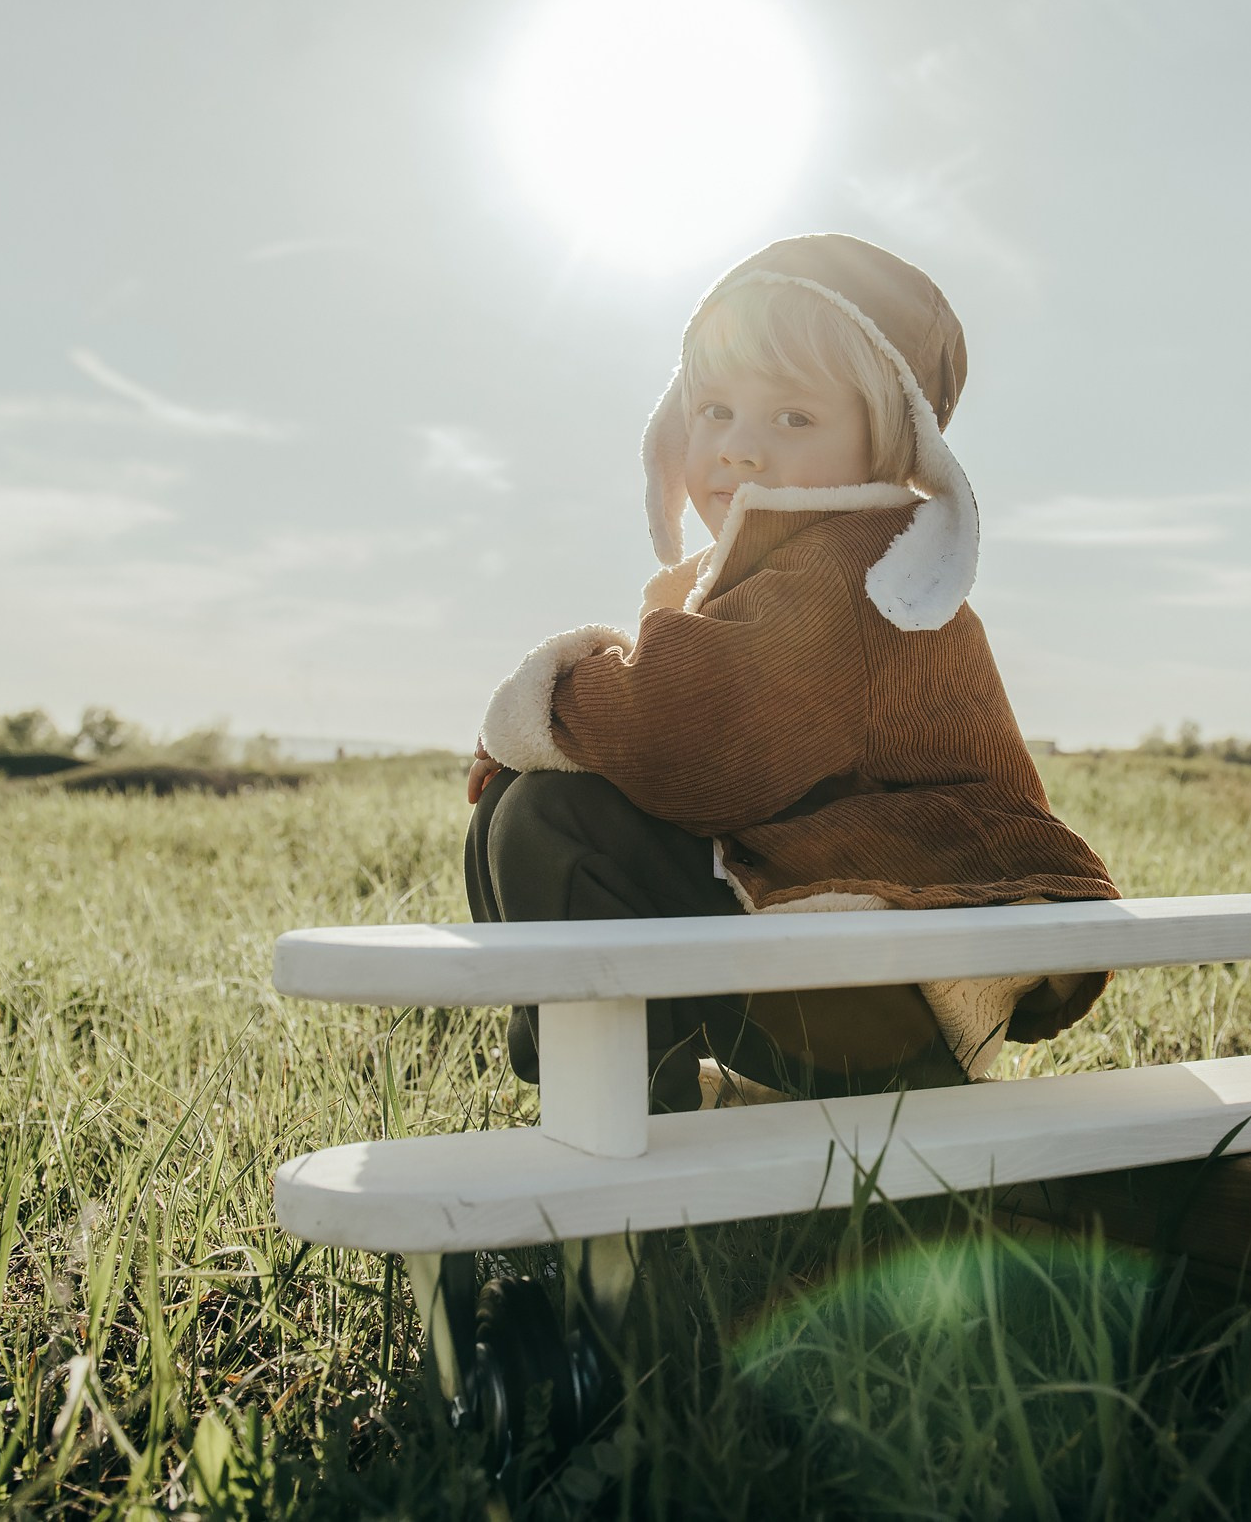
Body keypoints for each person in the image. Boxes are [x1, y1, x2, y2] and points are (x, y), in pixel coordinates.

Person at [465, 233, 1118, 1114]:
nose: (739, 448)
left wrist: (534, 709)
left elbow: (684, 740)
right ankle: (611, 1076)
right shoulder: (803, 568)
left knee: (554, 818)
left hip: (887, 990)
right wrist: (540, 745)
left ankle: (622, 1127)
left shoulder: (850, 571)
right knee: (518, 804)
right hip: (857, 971)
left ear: (890, 449)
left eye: (795, 418)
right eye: (715, 411)